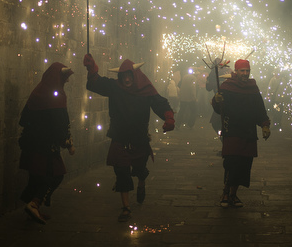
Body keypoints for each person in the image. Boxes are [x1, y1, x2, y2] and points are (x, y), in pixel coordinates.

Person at [83, 54, 175, 222]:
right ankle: (126, 207)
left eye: (129, 75)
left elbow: (160, 103)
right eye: (123, 76)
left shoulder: (145, 89)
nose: (126, 79)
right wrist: (92, 68)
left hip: (139, 137)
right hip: (120, 137)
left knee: (139, 169)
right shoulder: (115, 87)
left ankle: (141, 182)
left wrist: (168, 117)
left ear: (134, 76)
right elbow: (96, 83)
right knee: (122, 172)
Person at [19, 62, 75, 224]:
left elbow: (23, 120)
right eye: (65, 78)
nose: (67, 81)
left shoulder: (37, 92)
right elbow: (60, 125)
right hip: (45, 147)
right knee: (55, 176)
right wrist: (67, 142)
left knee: (35, 178)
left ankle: (32, 210)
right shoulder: (56, 97)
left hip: (30, 143)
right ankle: (34, 205)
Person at [212, 59, 270, 208]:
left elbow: (259, 108)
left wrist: (265, 124)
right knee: (232, 163)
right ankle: (225, 192)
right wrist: (216, 100)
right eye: (242, 71)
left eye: (247, 71)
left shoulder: (253, 87)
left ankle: (233, 194)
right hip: (231, 130)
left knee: (244, 164)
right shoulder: (227, 86)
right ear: (236, 72)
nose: (245, 74)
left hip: (248, 131)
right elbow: (219, 108)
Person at [206, 58, 232, 136]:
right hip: (220, 98)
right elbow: (209, 87)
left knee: (218, 122)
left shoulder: (217, 71)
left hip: (224, 99)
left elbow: (209, 87)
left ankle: (226, 140)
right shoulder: (227, 70)